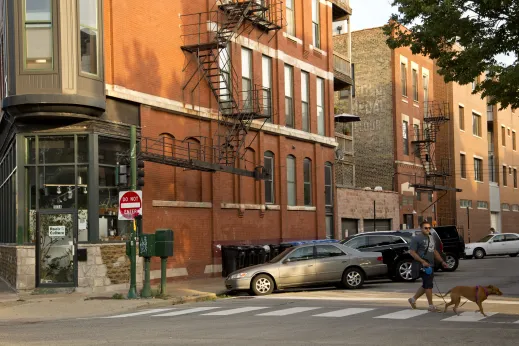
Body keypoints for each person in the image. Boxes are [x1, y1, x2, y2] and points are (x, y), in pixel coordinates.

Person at [408, 221, 449, 312]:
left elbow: (434, 251)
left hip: (430, 264)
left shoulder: (431, 238)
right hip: (422, 265)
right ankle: (431, 306)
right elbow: (412, 252)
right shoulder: (416, 239)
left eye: (429, 228)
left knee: (426, 284)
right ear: (421, 228)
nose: (427, 229)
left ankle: (413, 299)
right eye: (425, 228)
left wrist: (442, 262)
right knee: (428, 285)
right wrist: (422, 261)